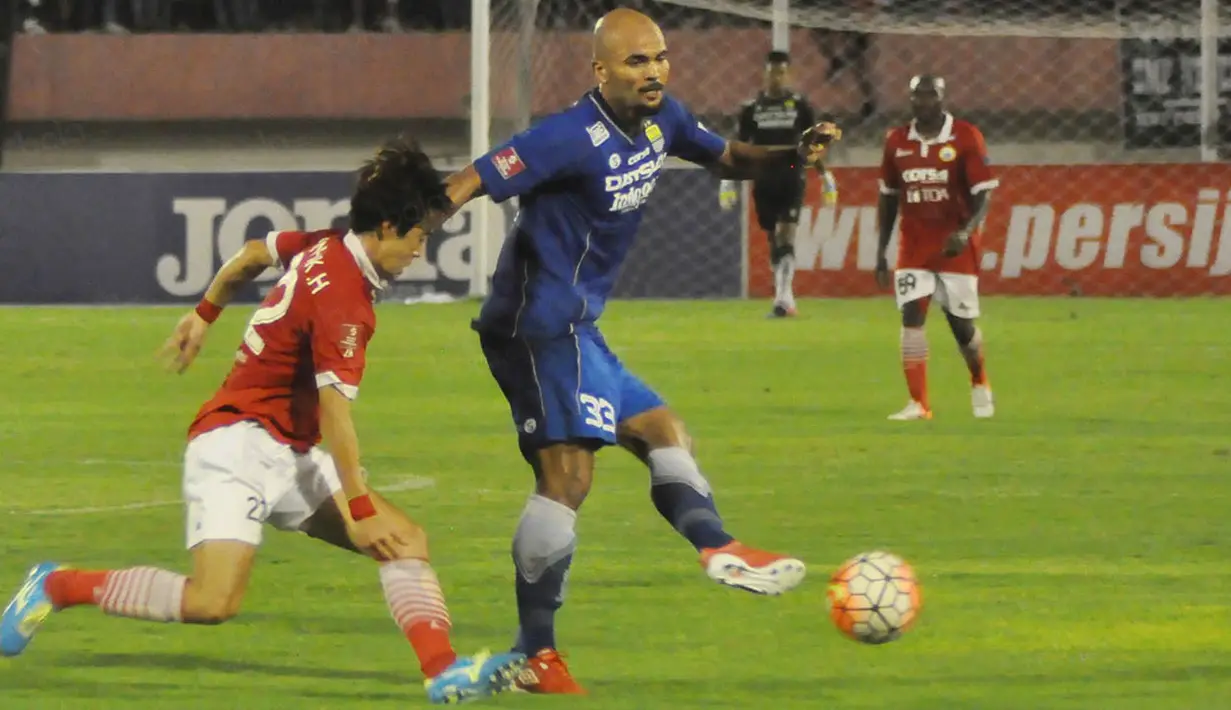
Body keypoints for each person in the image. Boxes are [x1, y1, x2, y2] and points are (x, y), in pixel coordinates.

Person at [0, 137, 526, 705]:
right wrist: (363, 507)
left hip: (286, 450)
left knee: (406, 541)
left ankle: (442, 673)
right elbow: (336, 412)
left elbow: (252, 252)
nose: (422, 248)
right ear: (388, 227)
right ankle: (56, 584)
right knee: (212, 603)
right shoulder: (345, 301)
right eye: (420, 234)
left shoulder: (325, 244)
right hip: (235, 447)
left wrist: (205, 314)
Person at [441, 8, 841, 694]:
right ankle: (535, 654)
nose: (653, 70)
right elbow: (471, 180)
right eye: (635, 61)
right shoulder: (566, 136)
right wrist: (384, 242)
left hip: (576, 326)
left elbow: (730, 156)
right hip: (535, 325)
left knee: (662, 430)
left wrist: (789, 156)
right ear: (600, 71)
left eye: (659, 57)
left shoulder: (665, 120)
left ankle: (716, 547)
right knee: (566, 478)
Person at [875, 75, 998, 421]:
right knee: (911, 316)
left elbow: (983, 195)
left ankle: (979, 379)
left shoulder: (965, 137)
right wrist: (881, 251)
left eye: (930, 95)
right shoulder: (897, 141)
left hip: (954, 246)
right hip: (913, 247)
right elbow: (887, 198)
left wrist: (967, 231)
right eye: (917, 96)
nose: (923, 102)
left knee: (961, 327)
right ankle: (919, 403)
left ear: (943, 98)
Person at [720, 49, 837, 318]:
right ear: (765, 74)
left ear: (789, 75)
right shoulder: (751, 108)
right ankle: (783, 295)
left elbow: (812, 144)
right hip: (763, 177)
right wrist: (728, 181)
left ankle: (784, 298)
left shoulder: (799, 105)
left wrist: (824, 175)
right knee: (774, 239)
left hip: (792, 172)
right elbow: (739, 146)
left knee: (786, 233)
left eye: (782, 72)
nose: (777, 77)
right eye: (773, 72)